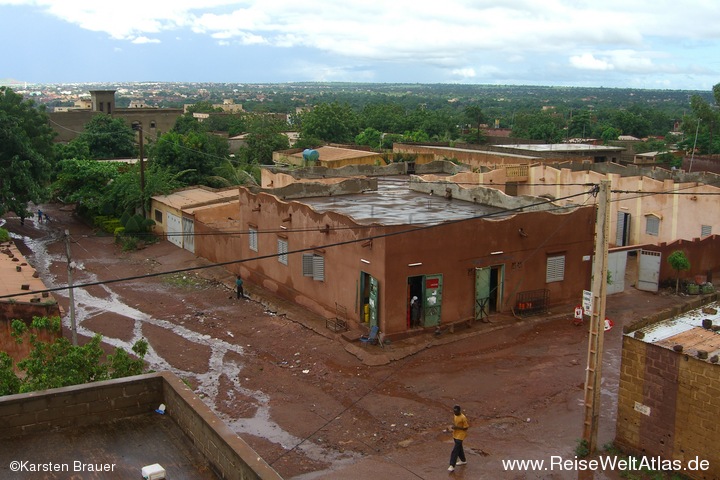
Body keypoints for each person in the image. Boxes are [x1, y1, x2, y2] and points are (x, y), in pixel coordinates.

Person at [448, 404, 469, 472]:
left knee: (455, 450)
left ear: (459, 411)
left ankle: (452, 465)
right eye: (454, 411)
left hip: (461, 435)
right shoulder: (455, 415)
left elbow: (466, 428)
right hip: (455, 434)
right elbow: (455, 423)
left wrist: (457, 427)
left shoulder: (463, 417)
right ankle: (463, 460)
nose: (455, 413)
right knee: (459, 448)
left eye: (456, 412)